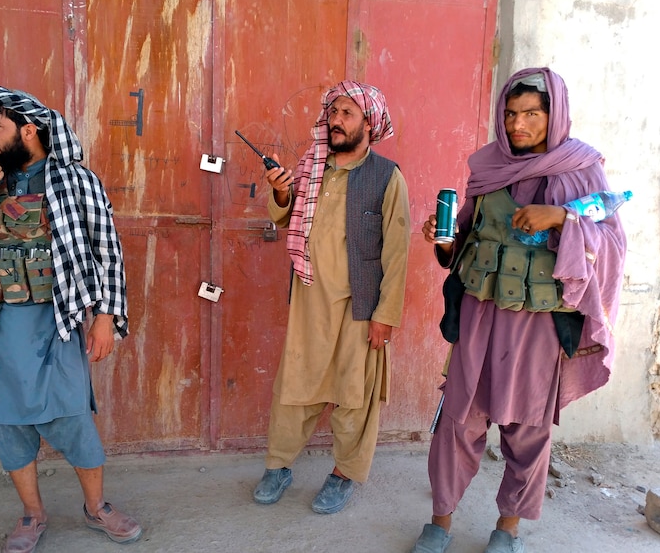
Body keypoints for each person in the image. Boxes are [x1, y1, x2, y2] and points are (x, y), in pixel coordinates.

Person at [412, 68, 627, 553]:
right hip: (480, 315)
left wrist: (562, 218)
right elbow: (464, 238)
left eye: (532, 113)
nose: (518, 124)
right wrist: (442, 239)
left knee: (527, 429)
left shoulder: (581, 169)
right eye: (511, 114)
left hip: (538, 324)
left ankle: (507, 529)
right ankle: (440, 521)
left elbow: (612, 244)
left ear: (555, 115)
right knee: (458, 421)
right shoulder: (488, 166)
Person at [0, 86, 141, 553]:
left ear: (28, 130)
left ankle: (97, 509)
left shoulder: (76, 181)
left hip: (55, 328)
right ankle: (33, 515)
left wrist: (106, 317)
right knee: (9, 427)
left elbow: (107, 251)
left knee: (74, 420)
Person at [253, 80, 411, 515]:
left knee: (352, 394)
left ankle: (344, 474)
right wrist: (282, 190)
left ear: (368, 123)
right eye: (333, 112)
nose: (336, 121)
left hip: (361, 308)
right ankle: (279, 465)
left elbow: (397, 252)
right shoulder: (312, 167)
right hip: (309, 300)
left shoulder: (387, 177)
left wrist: (386, 315)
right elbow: (286, 213)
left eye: (347, 113)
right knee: (296, 385)